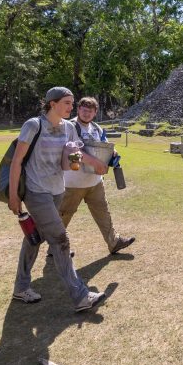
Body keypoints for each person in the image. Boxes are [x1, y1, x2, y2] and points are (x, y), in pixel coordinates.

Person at [8, 87, 107, 312]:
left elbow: (75, 153)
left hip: (57, 190)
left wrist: (87, 162)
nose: (71, 108)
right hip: (36, 191)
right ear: (52, 103)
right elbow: (16, 161)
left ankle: (21, 287)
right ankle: (81, 296)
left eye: (72, 104)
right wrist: (14, 196)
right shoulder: (34, 125)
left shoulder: (69, 127)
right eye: (67, 103)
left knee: (34, 238)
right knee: (60, 239)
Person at [59, 97, 134, 256]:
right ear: (78, 109)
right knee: (64, 215)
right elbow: (66, 153)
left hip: (95, 182)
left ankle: (114, 242)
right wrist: (91, 161)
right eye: (84, 110)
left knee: (103, 212)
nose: (86, 113)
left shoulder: (97, 129)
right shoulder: (69, 127)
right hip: (73, 182)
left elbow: (105, 147)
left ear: (95, 113)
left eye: (90, 111)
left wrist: (112, 155)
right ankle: (55, 247)